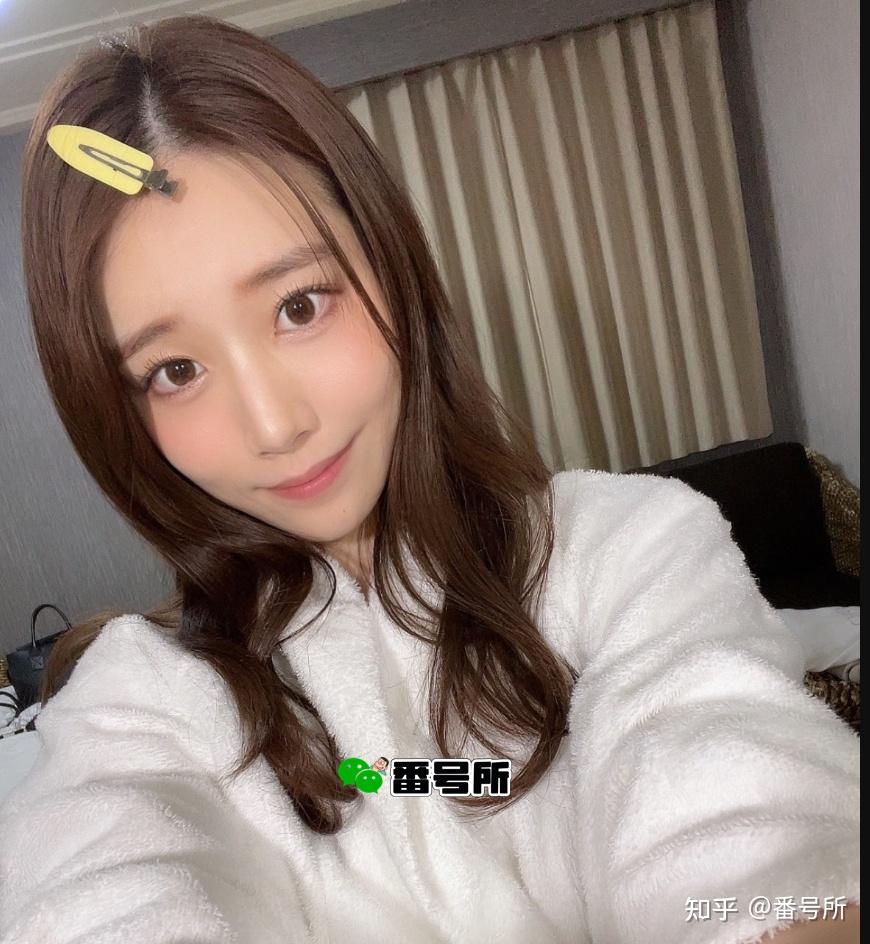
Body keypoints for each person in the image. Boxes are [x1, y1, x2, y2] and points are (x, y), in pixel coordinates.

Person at [0, 14, 859, 944]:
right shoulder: (143, 701)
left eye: (299, 305)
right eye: (175, 370)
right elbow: (106, 871)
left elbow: (745, 817)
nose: (275, 426)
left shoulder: (627, 548)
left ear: (394, 271)